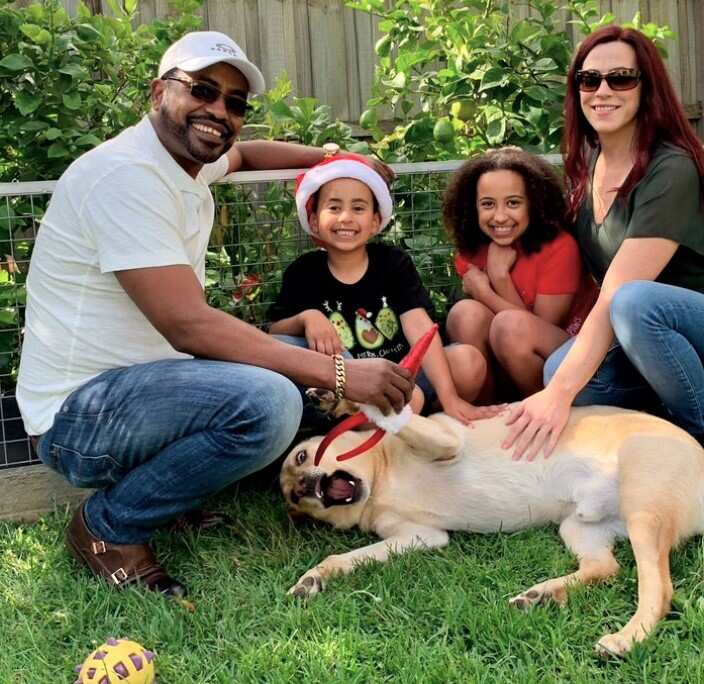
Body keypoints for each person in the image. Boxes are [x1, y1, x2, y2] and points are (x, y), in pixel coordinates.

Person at [16, 31, 415, 598]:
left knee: (303, 358)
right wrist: (343, 375)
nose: (219, 111)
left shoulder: (183, 162)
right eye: (202, 90)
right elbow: (188, 325)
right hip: (79, 418)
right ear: (159, 92)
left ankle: (165, 497)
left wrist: (337, 159)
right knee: (272, 400)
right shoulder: (126, 176)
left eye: (234, 102)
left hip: (139, 391)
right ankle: (107, 527)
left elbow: (249, 153)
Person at [503, 26, 704, 475]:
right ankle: (659, 424)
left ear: (646, 88)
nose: (602, 91)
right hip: (658, 337)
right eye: (589, 79)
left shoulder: (670, 168)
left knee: (631, 302)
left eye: (621, 78)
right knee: (560, 371)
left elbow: (618, 293)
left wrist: (555, 400)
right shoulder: (590, 163)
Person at [267, 153, 495, 424]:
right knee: (408, 401)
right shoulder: (304, 271)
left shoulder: (392, 262)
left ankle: (432, 420)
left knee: (468, 362)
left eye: (359, 208)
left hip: (403, 374)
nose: (346, 218)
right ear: (314, 220)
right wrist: (307, 318)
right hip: (350, 386)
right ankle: (380, 426)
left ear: (376, 221)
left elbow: (419, 327)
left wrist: (450, 397)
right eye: (334, 207)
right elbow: (274, 333)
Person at [443, 147, 597, 398]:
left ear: (534, 204)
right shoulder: (471, 251)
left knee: (510, 326)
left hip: (565, 354)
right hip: (508, 351)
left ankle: (539, 406)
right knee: (464, 314)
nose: (500, 216)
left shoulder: (559, 247)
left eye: (513, 203)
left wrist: (495, 282)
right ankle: (490, 409)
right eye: (488, 204)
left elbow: (533, 329)